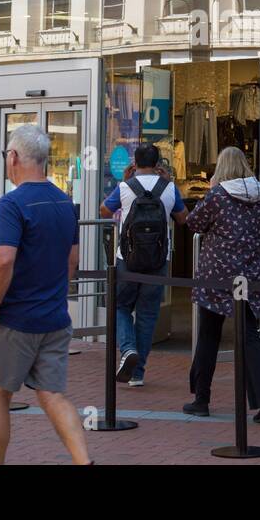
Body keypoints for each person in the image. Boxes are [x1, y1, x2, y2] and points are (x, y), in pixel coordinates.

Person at [0, 125, 90, 465]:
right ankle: (83, 461)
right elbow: (72, 260)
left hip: (15, 318)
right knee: (53, 395)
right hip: (55, 317)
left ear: (13, 157)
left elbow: (3, 259)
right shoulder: (64, 202)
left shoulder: (12, 203)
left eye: (5, 156)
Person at [182, 146, 260, 423]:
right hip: (250, 271)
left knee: (209, 335)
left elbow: (193, 222)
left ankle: (201, 399)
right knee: (250, 335)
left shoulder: (217, 195)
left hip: (217, 273)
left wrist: (212, 190)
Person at [99, 142, 187, 387]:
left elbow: (104, 210)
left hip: (127, 259)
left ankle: (127, 350)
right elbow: (183, 218)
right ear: (158, 165)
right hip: (159, 260)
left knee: (120, 306)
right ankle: (137, 373)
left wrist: (125, 182)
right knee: (148, 314)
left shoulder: (125, 187)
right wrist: (170, 184)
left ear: (134, 163)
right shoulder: (169, 188)